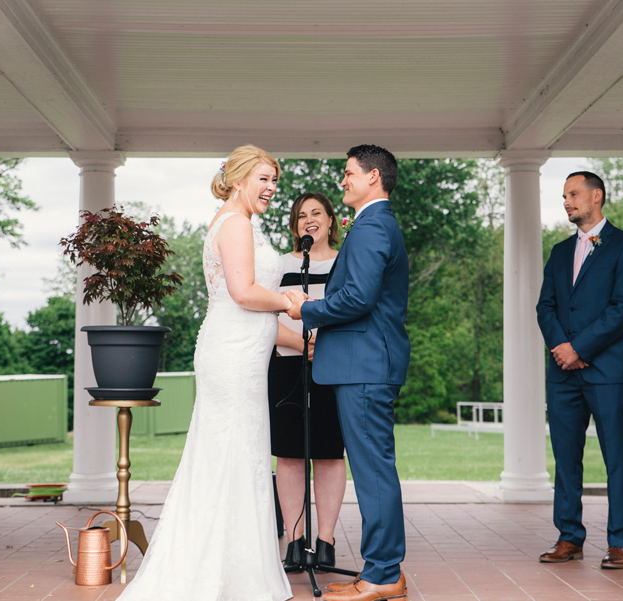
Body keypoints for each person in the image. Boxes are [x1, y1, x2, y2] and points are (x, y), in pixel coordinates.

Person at [118, 145, 293, 601]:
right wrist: (294, 302)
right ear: (237, 180)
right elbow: (244, 293)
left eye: (275, 181)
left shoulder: (240, 223)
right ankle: (219, 575)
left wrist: (293, 336)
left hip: (243, 350)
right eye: (264, 180)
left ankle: (238, 570)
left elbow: (253, 307)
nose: (272, 189)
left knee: (242, 452)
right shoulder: (235, 224)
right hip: (232, 355)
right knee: (230, 453)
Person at [287, 144, 410, 601]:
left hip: (366, 366)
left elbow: (358, 298)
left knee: (374, 472)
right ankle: (380, 571)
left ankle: (382, 576)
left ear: (373, 177)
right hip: (363, 364)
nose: (343, 180)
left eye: (349, 173)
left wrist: (308, 308)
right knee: (373, 468)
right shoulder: (372, 225)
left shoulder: (374, 226)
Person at [535, 171, 623, 570]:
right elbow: (544, 306)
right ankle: (569, 537)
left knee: (617, 456)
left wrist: (579, 347)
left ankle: (621, 541)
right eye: (564, 196)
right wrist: (562, 348)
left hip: (610, 370)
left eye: (574, 194)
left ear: (596, 196)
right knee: (566, 458)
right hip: (563, 373)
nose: (567, 202)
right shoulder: (560, 252)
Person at [268, 192, 346, 572]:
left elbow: (355, 307)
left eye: (316, 213)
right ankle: (295, 542)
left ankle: (325, 542)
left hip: (333, 367)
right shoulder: (281, 264)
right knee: (290, 453)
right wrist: (296, 340)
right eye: (301, 216)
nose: (309, 220)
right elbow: (263, 315)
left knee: (329, 452)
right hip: (286, 364)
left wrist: (323, 344)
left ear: (331, 220)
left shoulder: (348, 262)